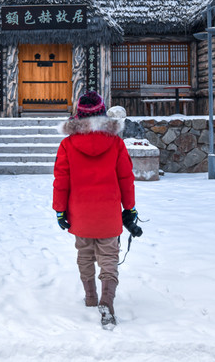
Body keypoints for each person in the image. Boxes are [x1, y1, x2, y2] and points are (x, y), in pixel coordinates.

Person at [52, 90, 143, 329]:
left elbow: (61, 180)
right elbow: (126, 177)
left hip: (80, 214)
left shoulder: (67, 144)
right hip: (109, 213)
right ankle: (107, 301)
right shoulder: (115, 143)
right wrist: (130, 208)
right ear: (103, 114)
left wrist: (60, 211)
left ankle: (91, 297)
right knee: (109, 258)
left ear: (78, 116)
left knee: (84, 255)